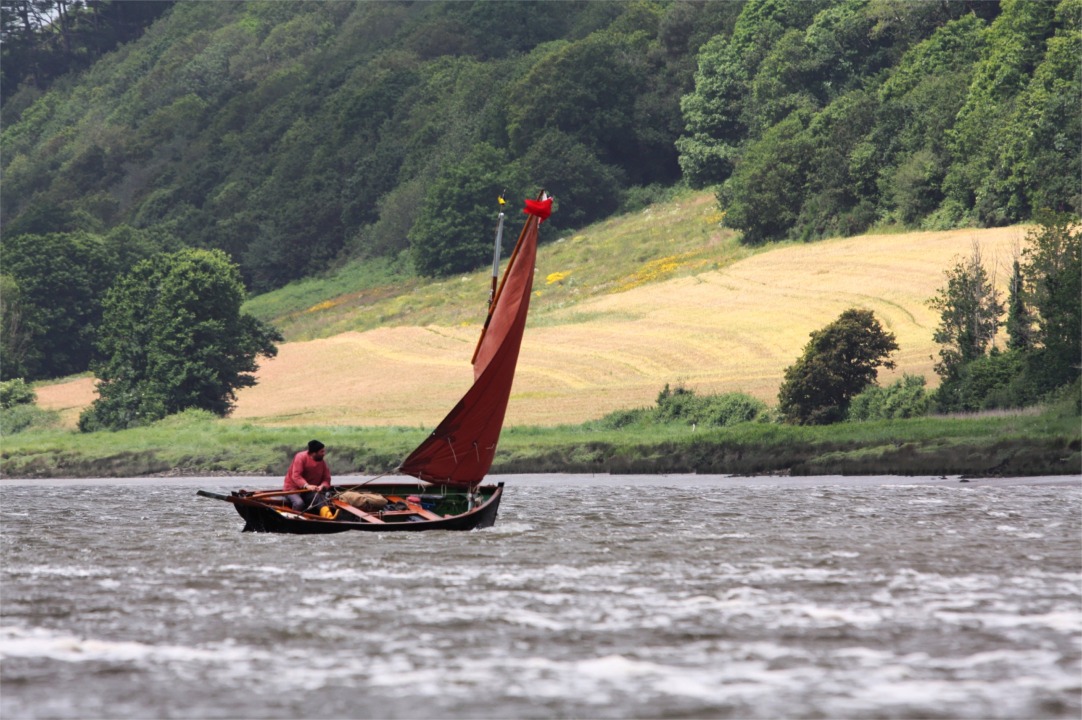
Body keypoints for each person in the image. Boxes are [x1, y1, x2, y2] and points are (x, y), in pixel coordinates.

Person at [283, 440, 332, 513]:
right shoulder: (300, 457)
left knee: (321, 499)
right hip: (293, 489)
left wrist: (322, 486)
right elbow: (296, 476)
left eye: (324, 451)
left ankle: (329, 518)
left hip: (310, 491)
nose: (324, 454)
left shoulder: (322, 462)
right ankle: (294, 520)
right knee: (299, 503)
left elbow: (327, 479)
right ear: (314, 453)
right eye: (321, 452)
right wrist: (307, 485)